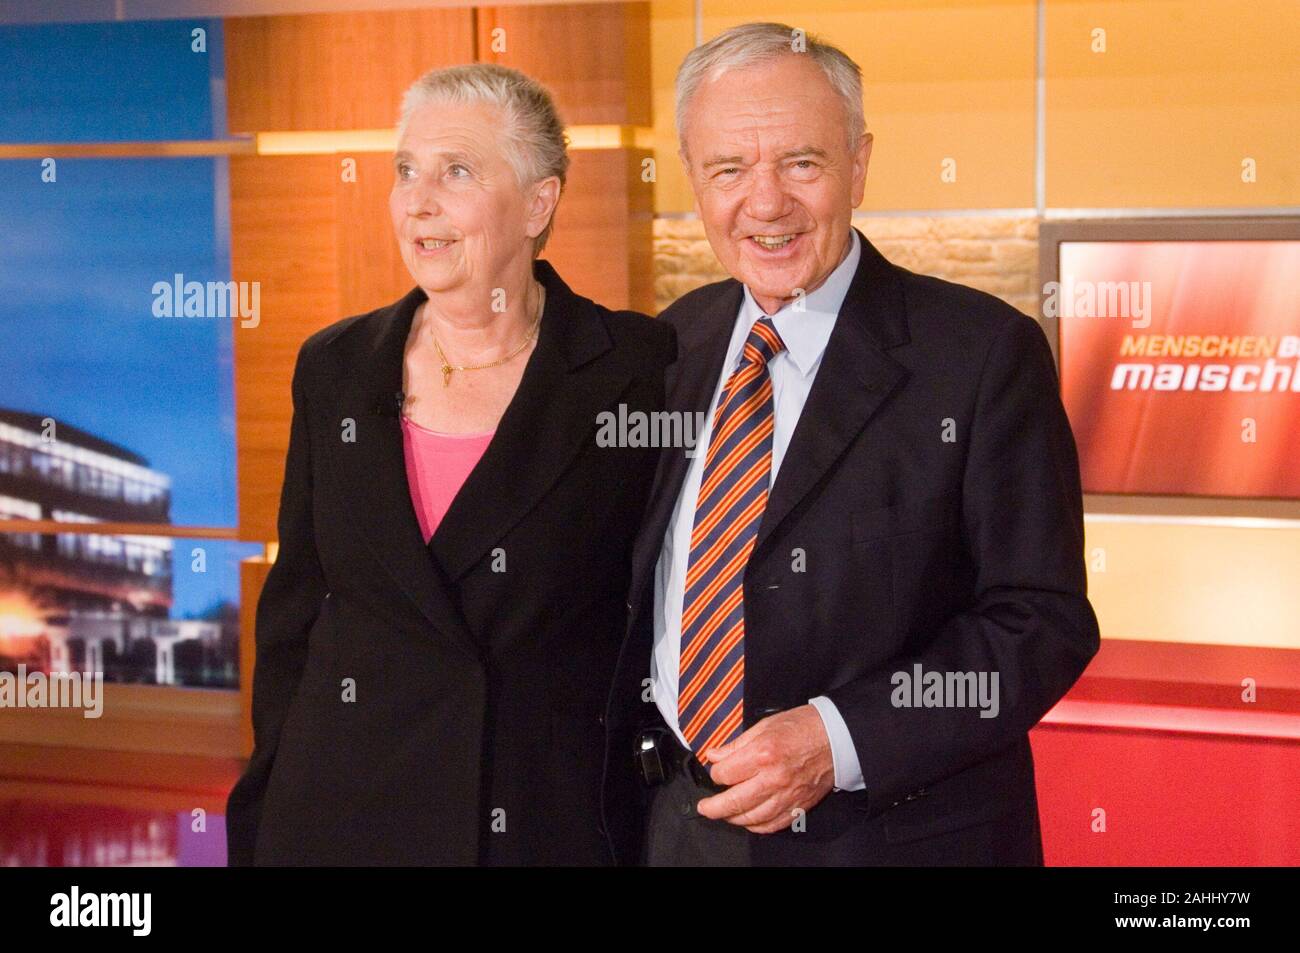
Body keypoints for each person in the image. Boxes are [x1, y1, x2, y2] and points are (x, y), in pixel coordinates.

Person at [600, 22, 1100, 866]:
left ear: (859, 166)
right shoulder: (667, 349)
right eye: (729, 169)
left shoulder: (979, 355)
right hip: (676, 830)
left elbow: (1039, 621)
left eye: (801, 163)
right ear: (693, 178)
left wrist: (838, 739)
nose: (765, 204)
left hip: (889, 839)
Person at [225, 63, 674, 865]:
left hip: (537, 821)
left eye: (456, 171)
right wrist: (261, 806)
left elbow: (662, 607)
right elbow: (295, 612)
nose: (417, 201)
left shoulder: (637, 368)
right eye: (405, 171)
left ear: (540, 202)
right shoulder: (333, 365)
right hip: (339, 814)